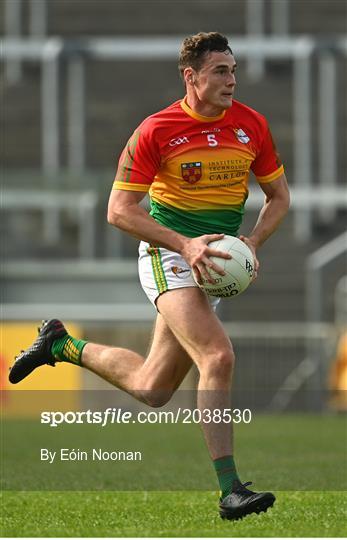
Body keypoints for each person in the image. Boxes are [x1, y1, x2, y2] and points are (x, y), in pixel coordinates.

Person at [9, 32, 290, 521]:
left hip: (213, 264)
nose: (232, 80)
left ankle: (60, 345)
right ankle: (230, 490)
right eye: (221, 71)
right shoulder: (157, 130)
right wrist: (184, 244)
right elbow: (119, 211)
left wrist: (252, 243)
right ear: (192, 76)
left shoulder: (252, 126)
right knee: (218, 356)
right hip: (170, 256)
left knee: (152, 388)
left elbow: (279, 197)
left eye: (234, 70)